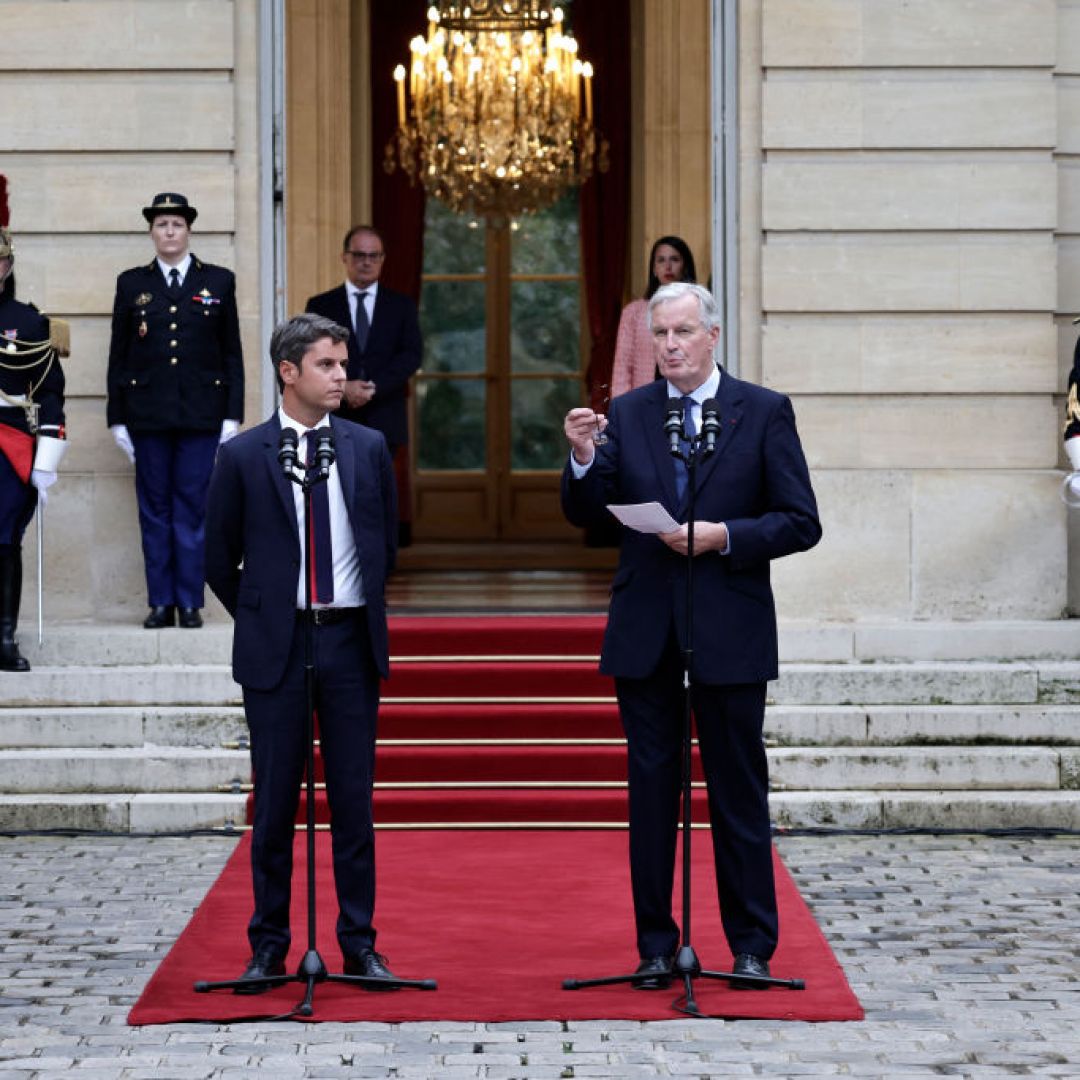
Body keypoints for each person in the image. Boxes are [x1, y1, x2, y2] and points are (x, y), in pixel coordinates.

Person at [562, 282, 821, 990]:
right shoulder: (633, 412)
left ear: (712, 336)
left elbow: (801, 521)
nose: (670, 345)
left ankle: (750, 947)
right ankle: (654, 942)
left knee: (737, 791)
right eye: (661, 334)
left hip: (730, 629)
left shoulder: (763, 411)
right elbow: (589, 509)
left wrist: (725, 536)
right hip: (647, 628)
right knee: (651, 793)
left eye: (682, 332)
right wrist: (583, 457)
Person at [204, 312, 399, 992]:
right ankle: (268, 945)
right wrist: (265, 615)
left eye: (343, 363)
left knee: (353, 802)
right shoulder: (242, 455)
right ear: (289, 372)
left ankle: (360, 943)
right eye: (326, 364)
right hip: (278, 647)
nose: (340, 375)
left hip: (349, 640)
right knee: (277, 803)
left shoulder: (368, 447)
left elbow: (385, 547)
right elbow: (218, 556)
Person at [106, 192, 244, 629]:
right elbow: (119, 353)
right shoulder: (132, 283)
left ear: (188, 231)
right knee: (154, 510)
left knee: (193, 507)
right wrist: (117, 417)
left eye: (177, 224)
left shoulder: (218, 281)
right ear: (151, 231)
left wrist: (232, 413)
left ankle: (190, 601)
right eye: (162, 224)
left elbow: (232, 352)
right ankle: (160, 601)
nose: (169, 231)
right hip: (146, 414)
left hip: (202, 413)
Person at [0, 227, 67, 671]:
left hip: (6, 447)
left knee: (3, 540)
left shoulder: (28, 322)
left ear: (6, 267)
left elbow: (50, 394)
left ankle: (4, 635)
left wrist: (45, 459)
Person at [304, 224, 422, 473]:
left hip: (384, 416)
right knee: (336, 497)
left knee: (374, 498)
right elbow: (311, 356)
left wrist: (373, 388)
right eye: (359, 255)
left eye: (373, 256)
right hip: (335, 415)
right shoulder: (321, 305)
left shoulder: (401, 306)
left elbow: (411, 355)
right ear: (344, 257)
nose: (366, 262)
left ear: (382, 259)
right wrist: (343, 387)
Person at [609, 236, 697, 399]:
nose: (668, 267)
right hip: (644, 400)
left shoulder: (698, 308)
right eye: (661, 260)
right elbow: (622, 369)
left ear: (685, 266)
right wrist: (622, 411)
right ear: (654, 269)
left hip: (688, 398)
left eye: (674, 260)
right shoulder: (633, 312)